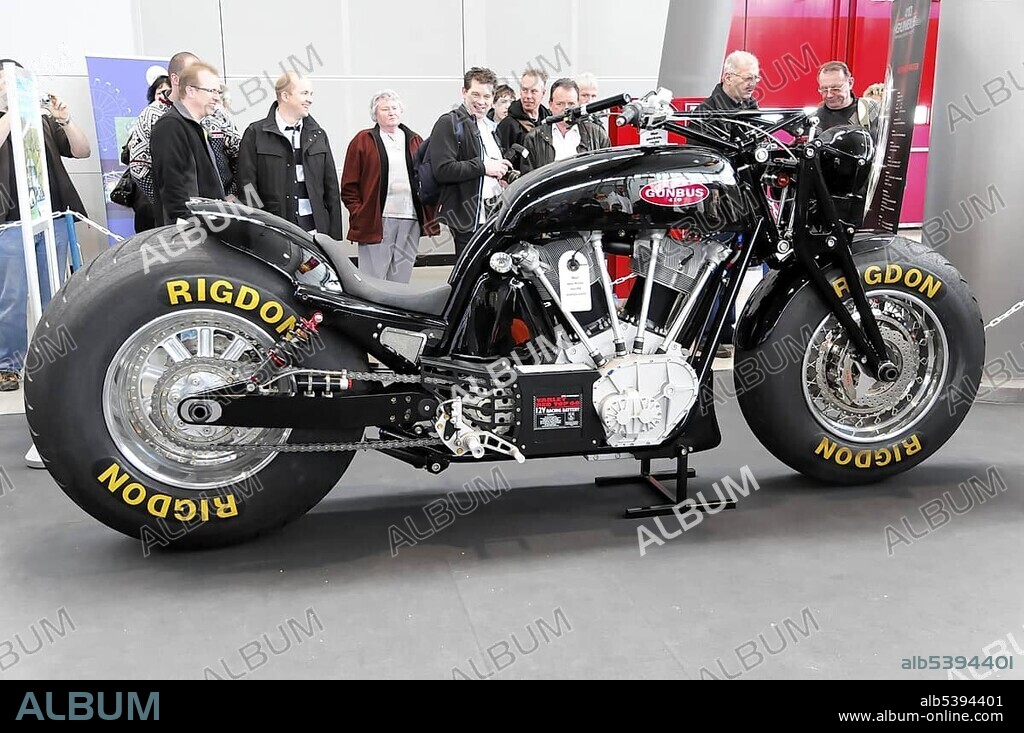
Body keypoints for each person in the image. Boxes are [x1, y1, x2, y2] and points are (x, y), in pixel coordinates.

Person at [0, 58, 90, 392]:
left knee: (55, 292)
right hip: (9, 223)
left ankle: (53, 356)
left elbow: (82, 151)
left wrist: (65, 120)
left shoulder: (42, 122)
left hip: (51, 216)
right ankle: (7, 364)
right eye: (8, 81)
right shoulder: (10, 118)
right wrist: (15, 110)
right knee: (12, 296)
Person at [695, 51, 762, 358]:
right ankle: (711, 334)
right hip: (718, 209)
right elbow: (702, 166)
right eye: (749, 78)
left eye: (756, 77)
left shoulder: (751, 108)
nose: (754, 84)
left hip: (748, 203)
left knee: (741, 270)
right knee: (714, 270)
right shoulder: (705, 114)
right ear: (728, 77)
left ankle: (731, 330)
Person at [341, 89, 436, 283]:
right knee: (372, 279)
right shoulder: (363, 140)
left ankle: (396, 312)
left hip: (410, 218)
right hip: (376, 219)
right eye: (385, 109)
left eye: (395, 108)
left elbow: (428, 176)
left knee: (401, 278)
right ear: (375, 115)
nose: (391, 112)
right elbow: (349, 185)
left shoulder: (415, 140)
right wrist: (359, 212)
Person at [237, 72, 342, 240]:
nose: (310, 99)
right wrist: (257, 231)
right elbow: (247, 187)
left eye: (311, 94)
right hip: (275, 232)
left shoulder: (318, 134)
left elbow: (331, 188)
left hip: (316, 234)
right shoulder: (255, 133)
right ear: (285, 95)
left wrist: (334, 236)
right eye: (304, 93)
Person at [430, 67, 510, 257]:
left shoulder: (489, 127)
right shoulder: (449, 123)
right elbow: (442, 169)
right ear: (464, 92)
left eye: (487, 96)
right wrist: (484, 167)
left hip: (492, 215)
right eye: (475, 94)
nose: (481, 101)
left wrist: (500, 173)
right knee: (470, 279)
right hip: (468, 220)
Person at [126, 51, 199, 227]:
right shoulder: (152, 114)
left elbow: (235, 151)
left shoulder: (215, 112)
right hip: (174, 215)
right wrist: (163, 199)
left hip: (216, 210)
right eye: (192, 74)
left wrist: (229, 193)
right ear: (175, 79)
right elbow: (139, 166)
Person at [150, 61, 227, 226]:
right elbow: (172, 185)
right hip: (188, 232)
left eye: (218, 92)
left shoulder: (195, 126)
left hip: (205, 226)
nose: (217, 97)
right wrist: (191, 225)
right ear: (191, 91)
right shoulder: (170, 126)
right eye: (212, 91)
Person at [521, 78, 610, 173]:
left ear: (578, 104)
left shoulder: (597, 134)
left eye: (571, 104)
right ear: (550, 105)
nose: (566, 109)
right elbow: (527, 178)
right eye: (560, 104)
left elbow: (607, 173)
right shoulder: (534, 138)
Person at [497, 69, 550, 171]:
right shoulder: (507, 125)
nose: (528, 96)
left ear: (543, 93)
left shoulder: (550, 121)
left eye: (534, 91)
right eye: (524, 90)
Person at [815, 61, 880, 138]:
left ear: (850, 83)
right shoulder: (813, 120)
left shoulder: (870, 110)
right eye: (824, 89)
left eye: (835, 88)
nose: (829, 95)